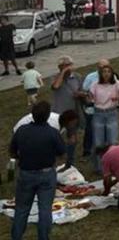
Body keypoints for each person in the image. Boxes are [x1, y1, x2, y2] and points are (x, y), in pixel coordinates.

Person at [9, 101, 65, 240]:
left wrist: (20, 157)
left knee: (21, 209)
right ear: (47, 116)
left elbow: (12, 151)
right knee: (45, 210)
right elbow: (61, 152)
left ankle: (16, 237)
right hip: (46, 174)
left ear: (32, 115)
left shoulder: (21, 130)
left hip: (26, 173)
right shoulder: (53, 133)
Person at [90, 63, 119, 172]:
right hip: (98, 113)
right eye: (104, 72)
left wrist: (117, 98)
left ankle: (113, 166)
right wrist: (89, 99)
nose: (106, 74)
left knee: (113, 141)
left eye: (109, 72)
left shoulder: (116, 84)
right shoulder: (95, 84)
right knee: (98, 141)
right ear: (101, 73)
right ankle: (100, 167)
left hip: (111, 113)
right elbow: (90, 97)